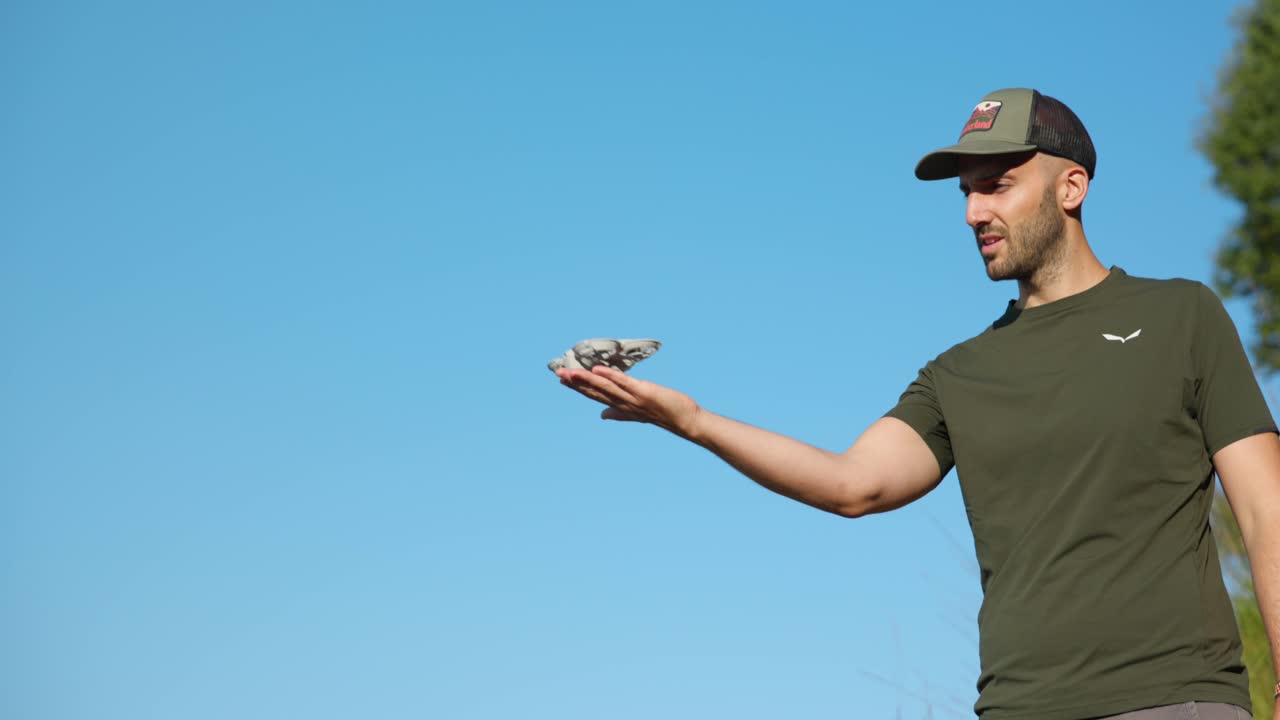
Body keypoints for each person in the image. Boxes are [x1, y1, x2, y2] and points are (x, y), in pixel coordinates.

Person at [554, 88, 1280, 720]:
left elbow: (1264, 510)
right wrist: (692, 421)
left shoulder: (1181, 317)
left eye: (996, 185)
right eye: (965, 192)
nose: (972, 212)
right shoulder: (960, 373)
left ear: (1072, 187)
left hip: (1173, 701)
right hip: (1018, 707)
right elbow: (853, 483)